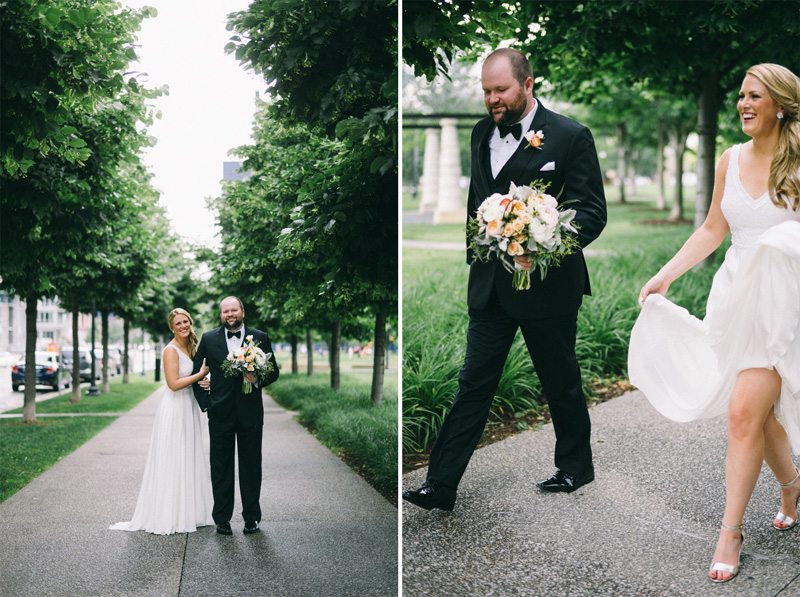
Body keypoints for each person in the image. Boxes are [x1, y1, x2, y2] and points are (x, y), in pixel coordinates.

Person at [403, 48, 607, 511]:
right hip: (491, 288)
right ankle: (441, 485)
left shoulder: (571, 136)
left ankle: (576, 466)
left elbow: (592, 211)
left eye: (501, 90)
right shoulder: (480, 133)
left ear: (528, 85)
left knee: (560, 380)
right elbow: (478, 203)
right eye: (486, 91)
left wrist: (543, 242)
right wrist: (480, 246)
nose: (492, 99)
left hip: (550, 287)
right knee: (473, 382)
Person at [629, 63, 800, 583]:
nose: (744, 104)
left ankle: (729, 530)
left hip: (786, 304)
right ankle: (792, 485)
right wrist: (665, 276)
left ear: (780, 104)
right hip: (737, 301)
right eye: (741, 97)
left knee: (743, 413)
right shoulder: (730, 158)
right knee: (757, 413)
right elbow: (712, 229)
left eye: (755, 96)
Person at [110, 308, 213, 535]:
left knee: (188, 456)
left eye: (186, 322)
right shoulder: (170, 350)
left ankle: (190, 511)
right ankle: (170, 514)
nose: (183, 326)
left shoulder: (191, 346)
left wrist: (204, 381)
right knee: (173, 458)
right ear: (172, 327)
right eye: (178, 323)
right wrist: (200, 374)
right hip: (175, 409)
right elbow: (174, 384)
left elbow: (193, 377)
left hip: (189, 407)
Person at [192, 296, 279, 535]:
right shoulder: (209, 338)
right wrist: (206, 403)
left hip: (250, 413)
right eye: (225, 312)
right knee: (220, 467)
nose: (229, 315)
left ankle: (252, 518)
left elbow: (274, 372)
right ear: (221, 315)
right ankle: (222, 518)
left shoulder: (260, 337)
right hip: (220, 413)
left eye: (233, 310)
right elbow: (196, 372)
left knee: (251, 466)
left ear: (242, 311)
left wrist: (257, 377)